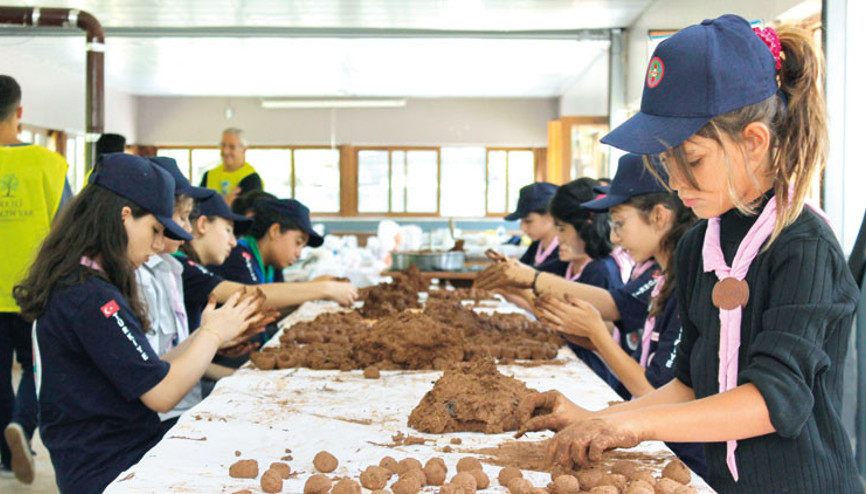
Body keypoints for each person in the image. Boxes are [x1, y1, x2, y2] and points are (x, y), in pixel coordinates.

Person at [534, 15, 861, 492]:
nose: (676, 183)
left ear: (754, 142)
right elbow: (689, 384)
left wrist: (634, 428)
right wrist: (595, 418)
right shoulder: (697, 245)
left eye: (692, 161)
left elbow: (772, 401)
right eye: (666, 164)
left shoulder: (803, 248)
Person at [12, 153, 265, 493]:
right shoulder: (90, 297)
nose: (160, 244)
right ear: (125, 217)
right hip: (107, 465)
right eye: (155, 230)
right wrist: (212, 333)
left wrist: (208, 336)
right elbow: (161, 394)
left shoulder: (89, 282)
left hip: (123, 445)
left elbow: (149, 369)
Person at [532, 161, 705, 477]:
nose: (613, 237)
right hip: (655, 437)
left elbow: (656, 390)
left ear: (659, 217)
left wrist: (598, 335)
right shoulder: (660, 272)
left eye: (619, 223)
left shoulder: (688, 284)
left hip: (683, 456)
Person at [476, 156, 667, 399]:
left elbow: (614, 311)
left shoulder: (606, 270)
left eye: (562, 228)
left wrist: (530, 285)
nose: (616, 238)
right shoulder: (641, 266)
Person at [137, 156, 259, 435]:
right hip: (156, 421)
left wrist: (210, 337)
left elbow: (161, 361)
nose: (187, 231)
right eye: (179, 218)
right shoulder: (137, 276)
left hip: (181, 407)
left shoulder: (166, 267)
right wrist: (211, 336)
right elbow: (156, 388)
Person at [0, 74, 71, 484]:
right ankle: (22, 430)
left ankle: (6, 456)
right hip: (34, 289)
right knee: (35, 368)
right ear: (20, 113)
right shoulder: (50, 164)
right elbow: (68, 229)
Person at [505, 182, 569, 277]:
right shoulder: (537, 244)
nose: (522, 228)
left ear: (550, 215)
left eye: (528, 221)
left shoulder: (565, 251)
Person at [199, 128, 263, 206]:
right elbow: (198, 206)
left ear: (244, 149)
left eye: (232, 147)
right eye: (223, 146)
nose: (225, 151)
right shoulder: (209, 175)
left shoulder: (252, 179)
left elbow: (249, 213)